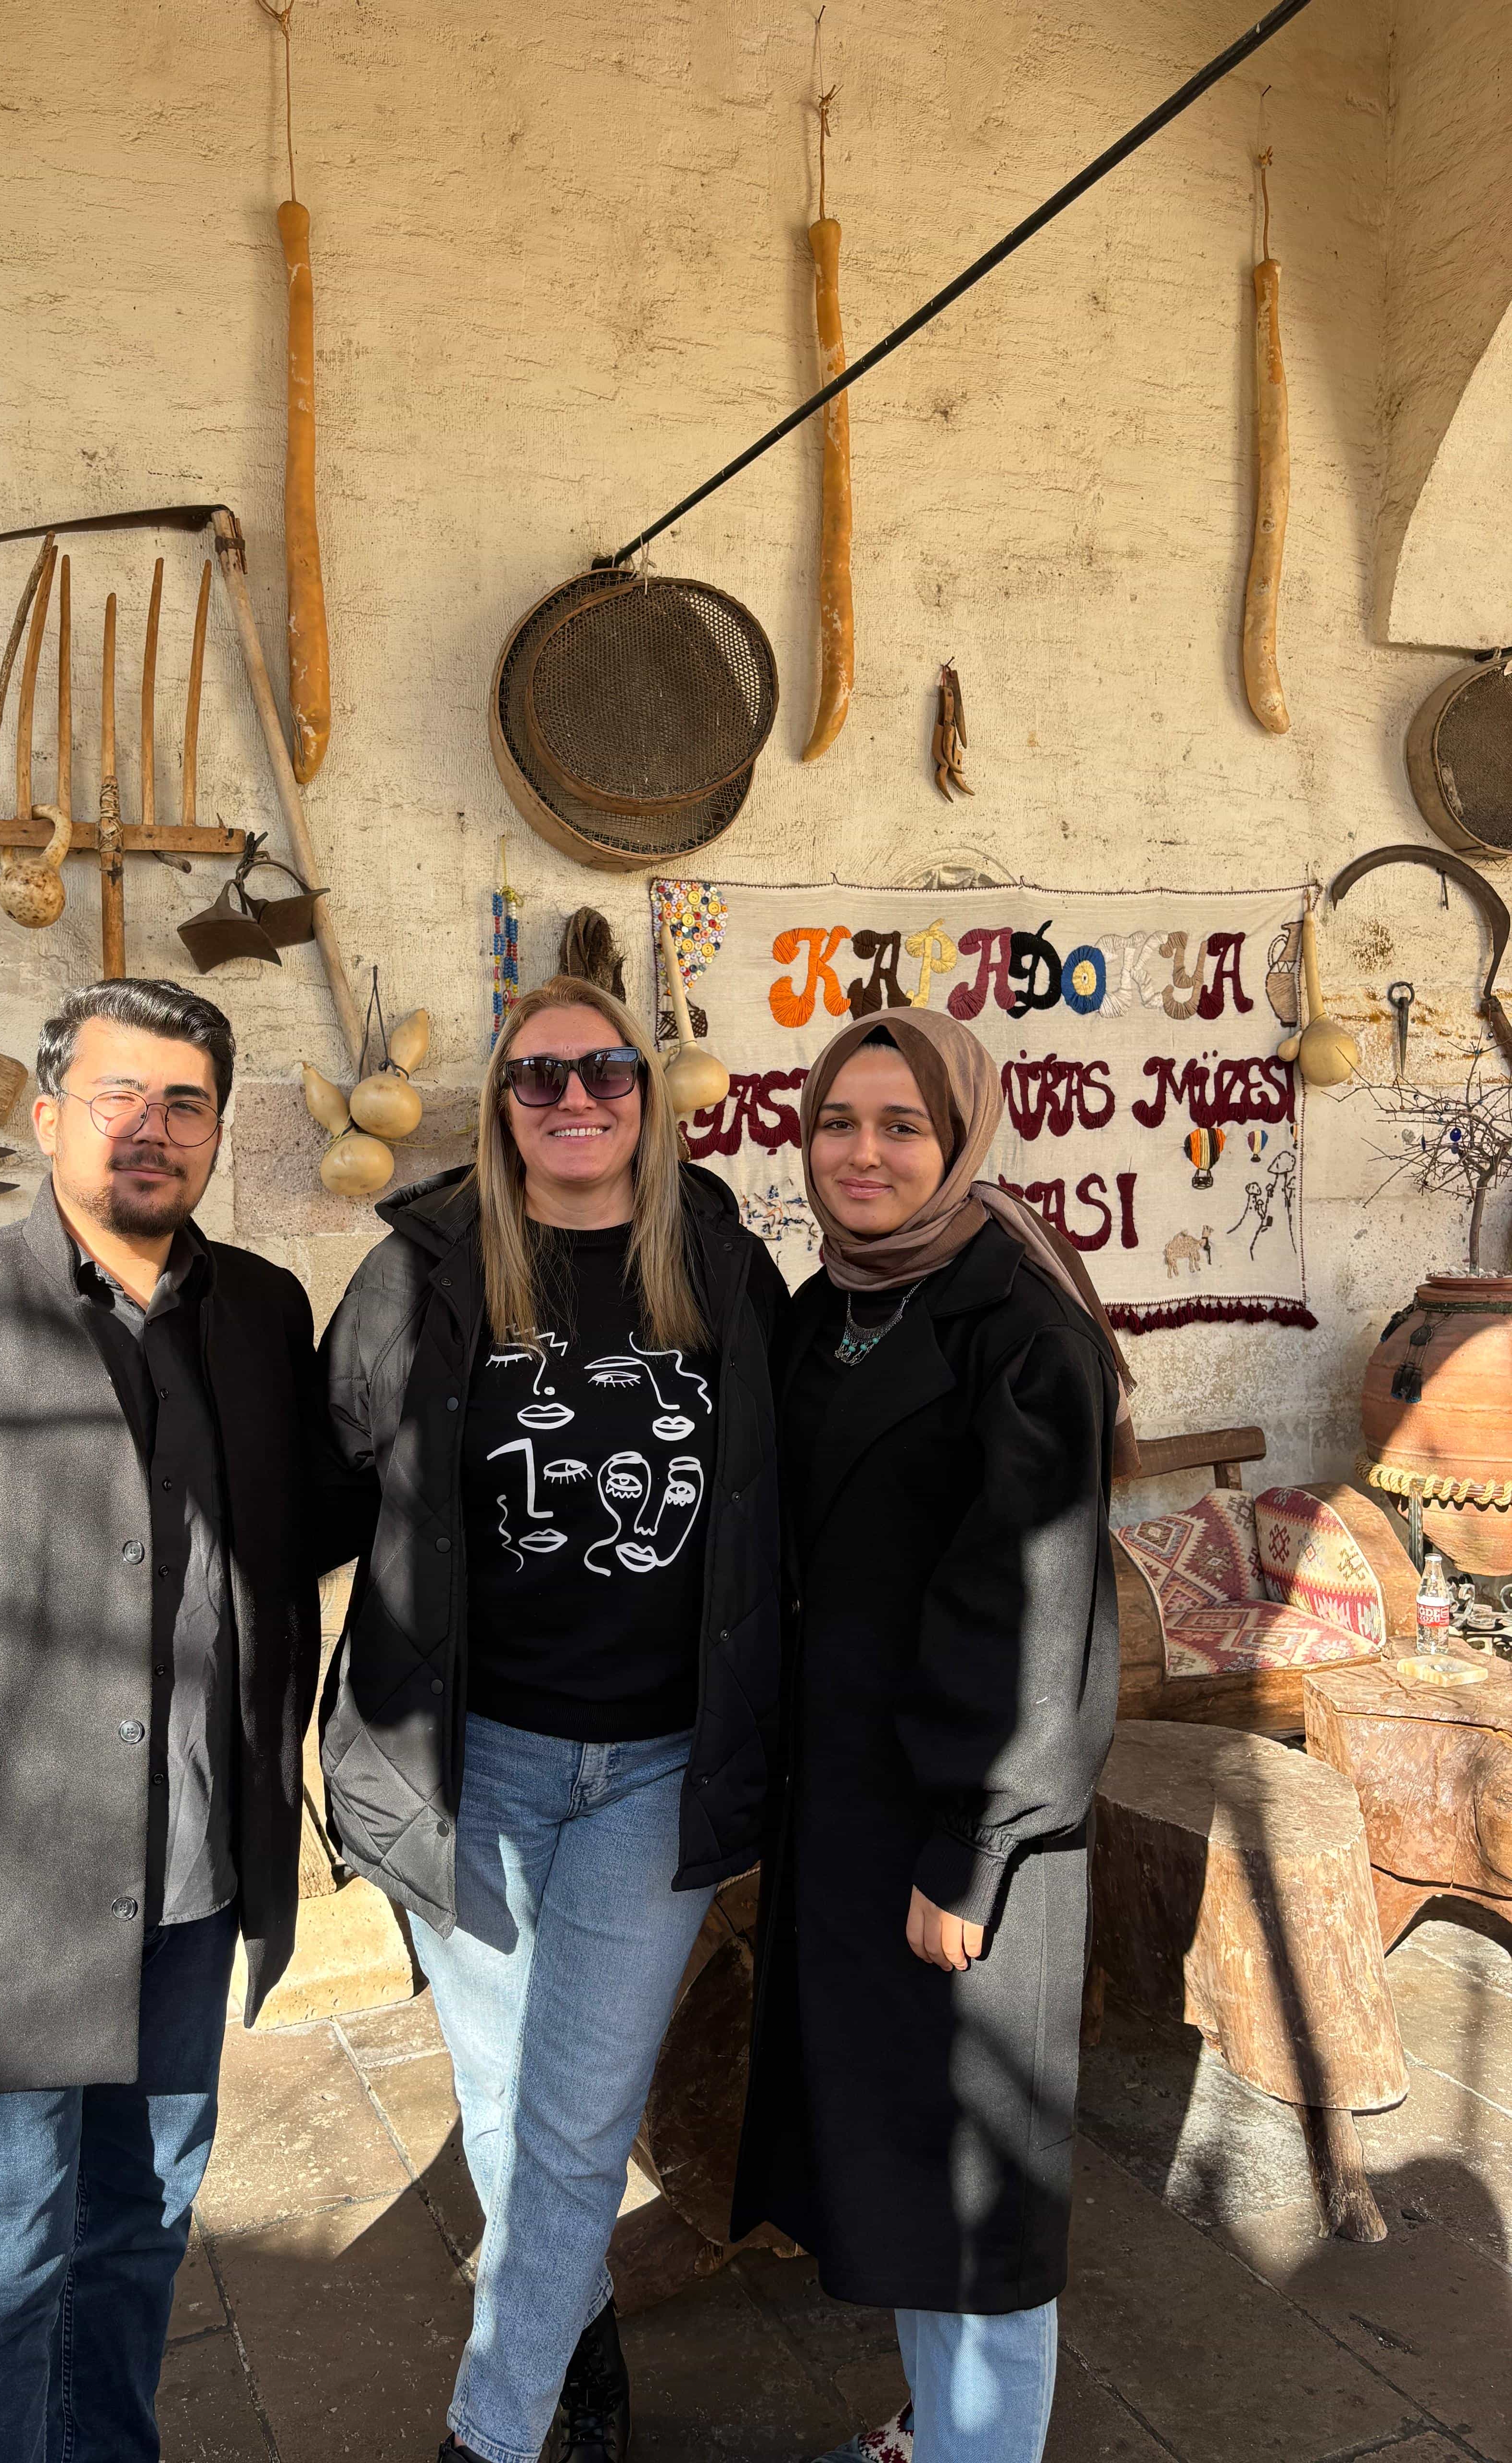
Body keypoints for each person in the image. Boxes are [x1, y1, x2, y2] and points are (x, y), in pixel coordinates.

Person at [0, 978, 366, 2463]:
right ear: (47, 1117)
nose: (151, 1128)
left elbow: (304, 1522)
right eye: (118, 1095)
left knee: (136, 2238)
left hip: (191, 1896)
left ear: (217, 1133)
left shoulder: (261, 1315)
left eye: (186, 1103)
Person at [319, 976, 786, 2463]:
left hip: (658, 1766)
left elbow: (798, 1492)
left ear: (645, 1095)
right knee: (510, 2098)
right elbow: (319, 1485)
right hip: (472, 1764)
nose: (576, 1099)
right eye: (540, 1077)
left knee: (575, 2116)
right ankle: (580, 2355)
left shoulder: (723, 1268)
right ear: (500, 1104)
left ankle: (493, 2433)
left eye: (606, 1072)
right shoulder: (420, 1275)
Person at [729, 1012, 1130, 2463]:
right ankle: (933, 2435)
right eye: (839, 1122)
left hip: (968, 1832)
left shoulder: (1021, 1329)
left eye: (904, 1126)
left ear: (961, 1142)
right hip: (849, 1810)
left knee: (978, 2193)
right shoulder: (824, 1308)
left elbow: (1039, 1608)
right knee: (902, 2166)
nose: (865, 1153)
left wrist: (972, 1845)